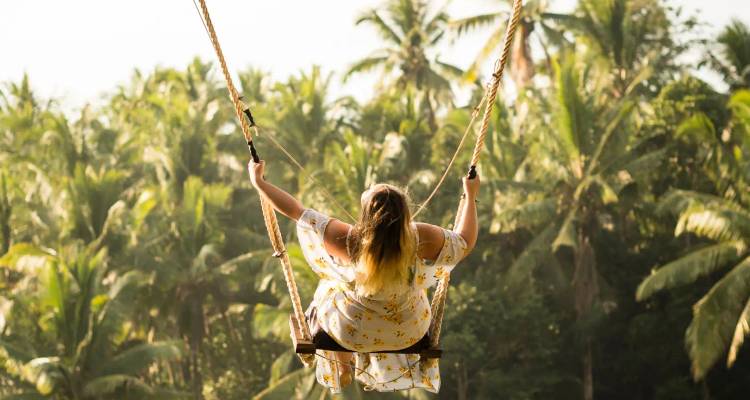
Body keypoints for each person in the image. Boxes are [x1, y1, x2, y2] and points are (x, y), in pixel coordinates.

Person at [248, 159, 479, 393]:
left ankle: (344, 364)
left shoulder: (350, 240)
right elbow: (464, 242)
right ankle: (348, 360)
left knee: (329, 288)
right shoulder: (421, 238)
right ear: (404, 212)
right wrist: (470, 196)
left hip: (352, 333)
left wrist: (259, 183)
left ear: (368, 214)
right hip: (408, 331)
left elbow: (296, 211)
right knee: (410, 293)